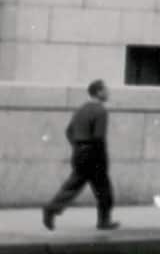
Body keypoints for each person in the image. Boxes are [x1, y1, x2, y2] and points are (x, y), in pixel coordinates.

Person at [41, 79, 116, 232]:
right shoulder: (100, 111)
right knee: (104, 189)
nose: (108, 92)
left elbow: (69, 131)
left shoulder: (80, 110)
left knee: (72, 186)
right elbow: (98, 137)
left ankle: (51, 208)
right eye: (106, 90)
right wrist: (102, 159)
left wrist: (77, 146)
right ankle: (104, 221)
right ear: (98, 92)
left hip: (79, 153)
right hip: (94, 154)